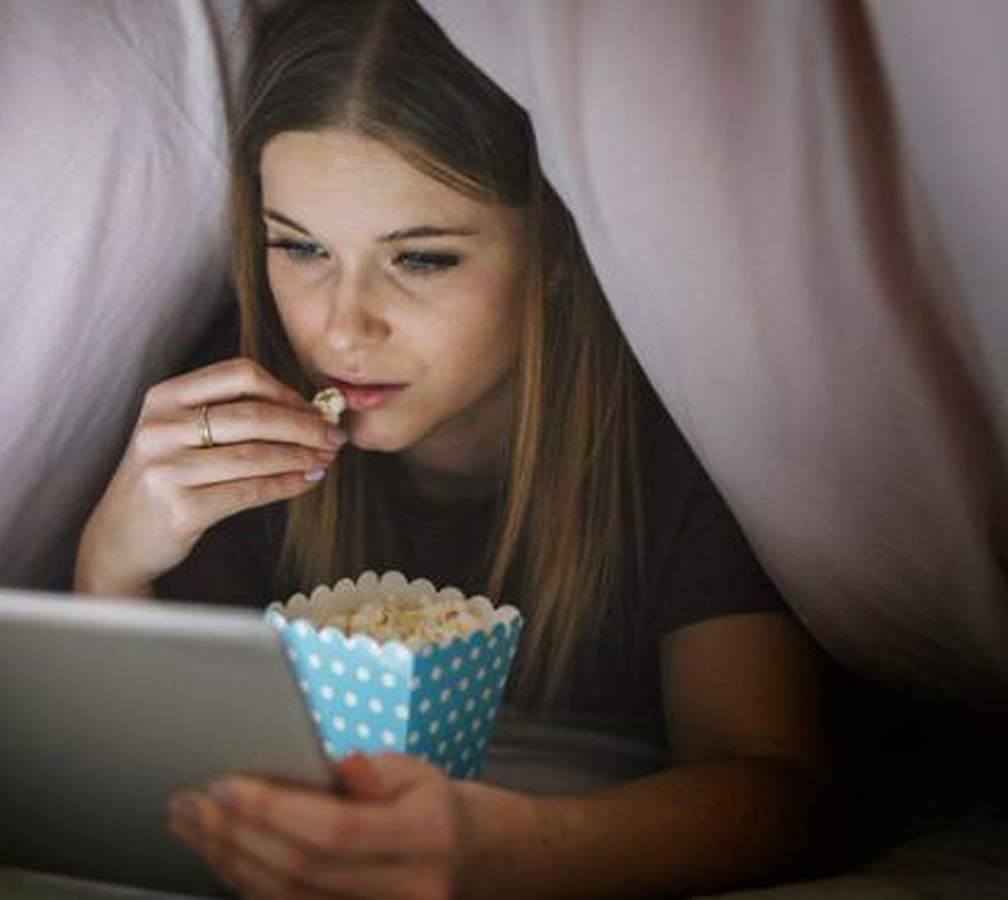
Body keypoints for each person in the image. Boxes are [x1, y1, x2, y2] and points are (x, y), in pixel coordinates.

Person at [75, 0, 836, 895]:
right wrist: (108, 568)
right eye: (300, 247)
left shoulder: (685, 433)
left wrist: (510, 855)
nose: (341, 327)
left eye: (422, 259)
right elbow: (142, 773)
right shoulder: (233, 415)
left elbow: (780, 789)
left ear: (557, 246)